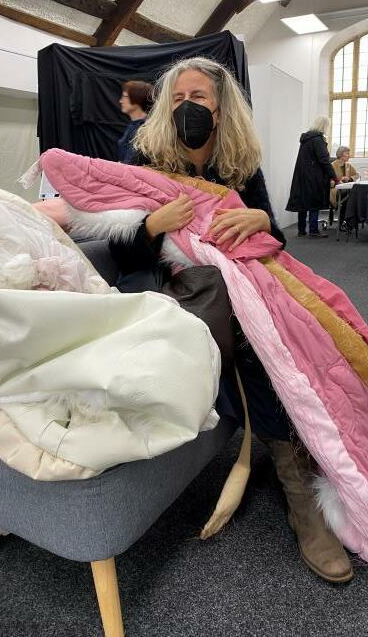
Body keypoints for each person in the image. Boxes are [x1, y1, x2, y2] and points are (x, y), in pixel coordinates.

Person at [109, 57, 353, 584]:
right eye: (177, 99)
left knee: (302, 326)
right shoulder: (144, 161)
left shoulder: (239, 164)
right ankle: (301, 496)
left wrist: (262, 218)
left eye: (198, 98)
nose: (186, 108)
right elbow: (119, 251)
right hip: (176, 291)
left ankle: (318, 455)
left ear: (220, 109)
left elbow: (275, 240)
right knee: (254, 340)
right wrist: (152, 226)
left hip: (243, 287)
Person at [286, 117, 336, 238]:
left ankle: (301, 230)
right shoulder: (318, 140)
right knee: (314, 202)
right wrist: (334, 176)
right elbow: (324, 160)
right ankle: (313, 230)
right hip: (314, 176)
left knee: (303, 203)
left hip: (302, 175)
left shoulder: (306, 139)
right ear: (325, 126)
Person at [117, 80, 153, 164]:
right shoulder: (134, 125)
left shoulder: (143, 129)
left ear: (137, 98)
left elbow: (131, 163)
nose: (121, 101)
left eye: (125, 97)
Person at [330, 145, 358, 212]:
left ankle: (348, 214)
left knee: (355, 191)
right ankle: (345, 214)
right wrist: (338, 181)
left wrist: (350, 179)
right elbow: (327, 181)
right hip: (335, 190)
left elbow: (357, 175)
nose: (349, 155)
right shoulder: (332, 166)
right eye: (347, 153)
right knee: (351, 193)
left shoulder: (348, 165)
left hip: (346, 188)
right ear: (340, 154)